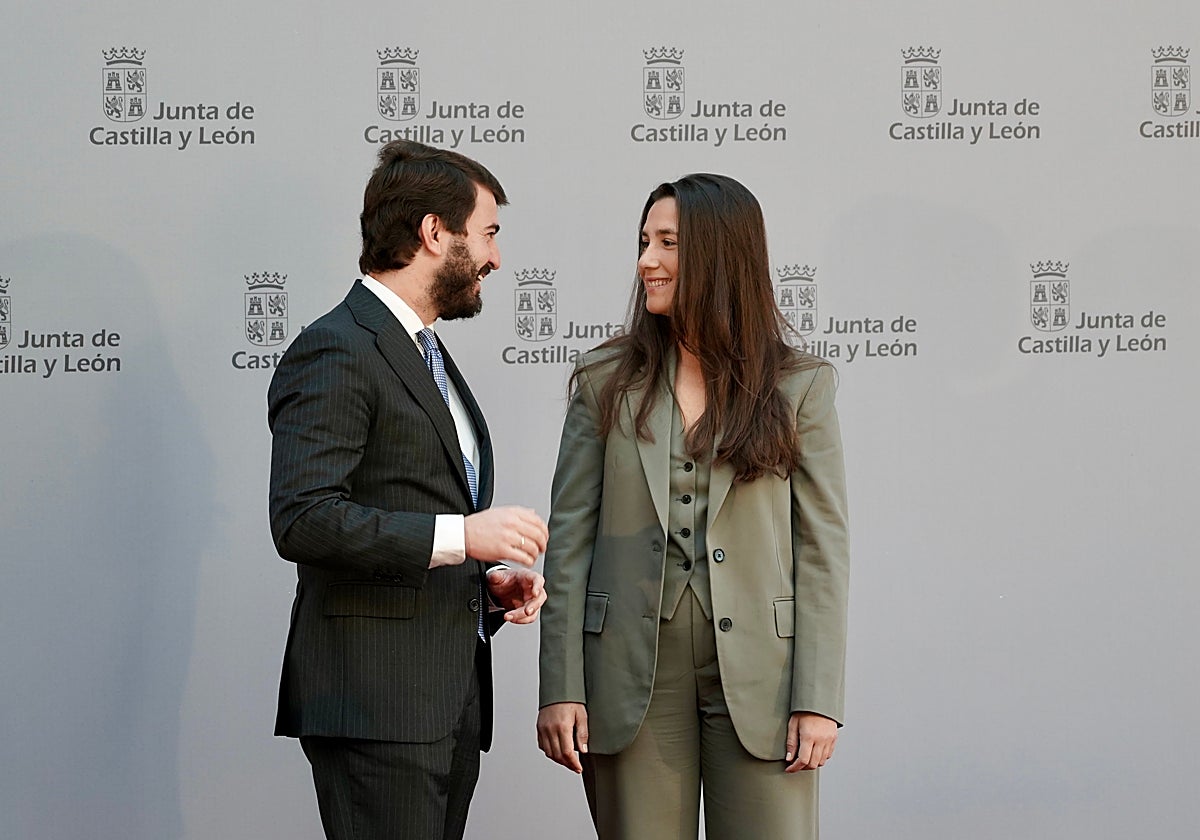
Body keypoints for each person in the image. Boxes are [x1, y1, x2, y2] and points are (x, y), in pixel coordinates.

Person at [536, 173, 850, 839]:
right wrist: (561, 685)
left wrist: (817, 699)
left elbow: (823, 553)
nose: (646, 260)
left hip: (765, 674)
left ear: (719, 253)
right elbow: (568, 545)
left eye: (668, 242)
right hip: (627, 670)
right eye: (644, 241)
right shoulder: (604, 384)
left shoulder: (799, 388)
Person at [268, 139, 549, 840]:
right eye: (487, 233)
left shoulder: (423, 349)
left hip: (442, 702)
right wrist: (464, 536)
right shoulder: (339, 346)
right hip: (374, 706)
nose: (495, 259)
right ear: (433, 233)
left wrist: (481, 582)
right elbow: (303, 518)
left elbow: (404, 503)